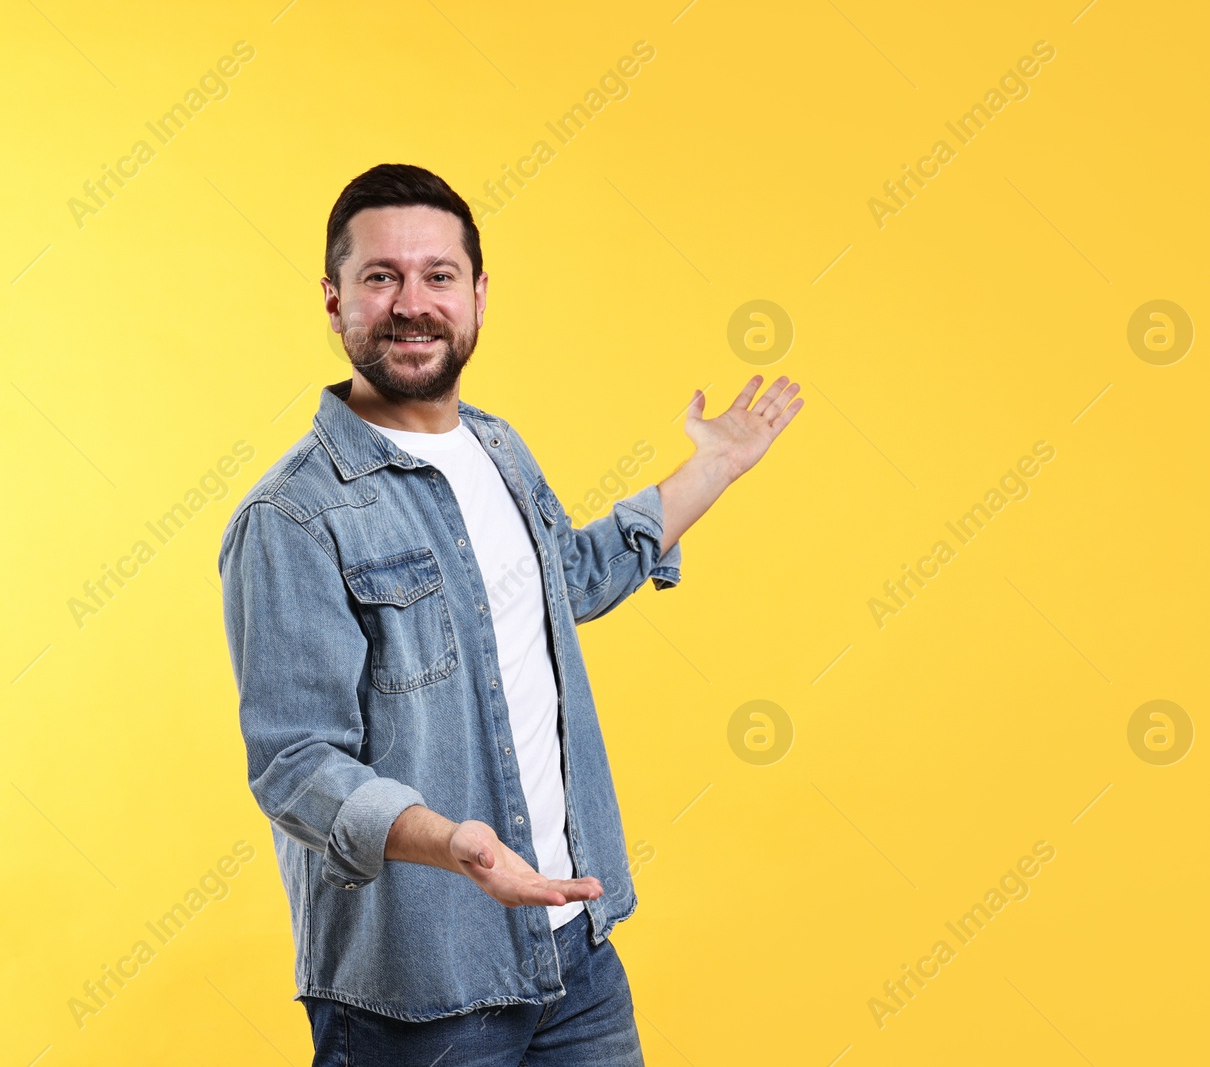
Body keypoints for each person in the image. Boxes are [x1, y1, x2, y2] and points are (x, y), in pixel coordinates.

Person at [218, 163, 801, 1065]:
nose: (413, 303)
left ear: (479, 297)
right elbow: (296, 765)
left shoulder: (497, 448)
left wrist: (713, 468)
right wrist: (453, 844)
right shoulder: (292, 518)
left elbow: (566, 580)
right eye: (382, 278)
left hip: (576, 951)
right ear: (335, 302)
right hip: (418, 990)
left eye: (438, 276)